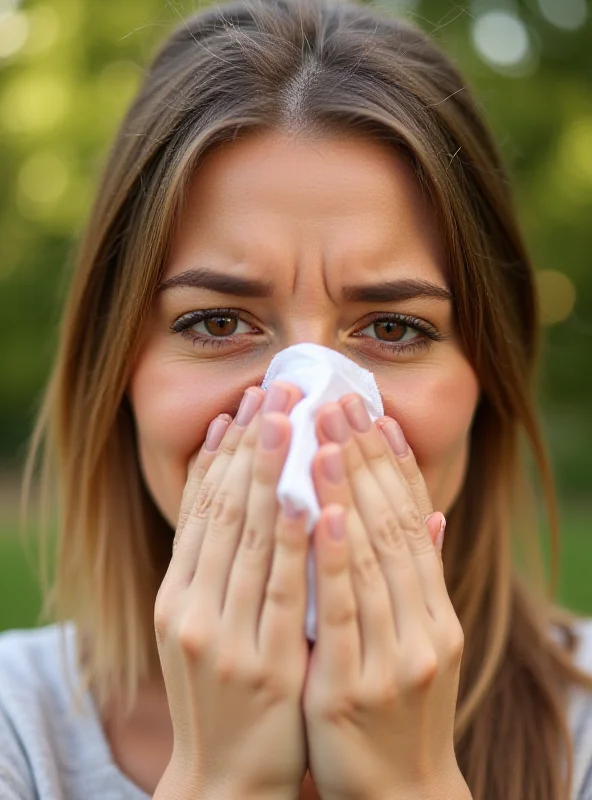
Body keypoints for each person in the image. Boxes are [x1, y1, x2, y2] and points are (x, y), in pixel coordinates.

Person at [1, 0, 591, 797]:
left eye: (394, 325)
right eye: (217, 321)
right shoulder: (17, 732)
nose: (308, 415)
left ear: (488, 376)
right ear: (118, 370)